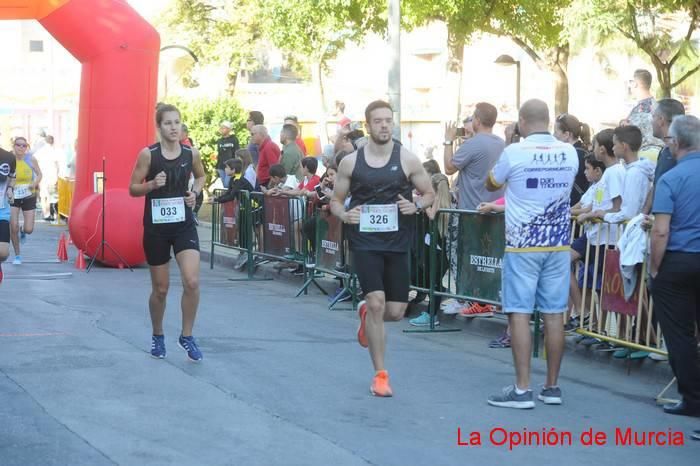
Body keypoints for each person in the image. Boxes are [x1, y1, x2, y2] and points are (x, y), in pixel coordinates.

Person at [331, 100, 435, 397]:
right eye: (378, 121)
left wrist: (414, 204)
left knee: (396, 311)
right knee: (377, 302)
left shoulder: (408, 159)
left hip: (397, 241)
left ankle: (366, 315)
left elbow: (429, 194)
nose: (385, 125)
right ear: (368, 125)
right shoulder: (351, 162)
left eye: (388, 120)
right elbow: (336, 200)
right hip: (364, 241)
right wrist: (343, 214)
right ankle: (380, 375)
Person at [485, 99, 578, 409]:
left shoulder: (514, 152)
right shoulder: (569, 152)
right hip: (558, 243)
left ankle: (522, 389)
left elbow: (491, 183)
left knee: (520, 313)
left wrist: (511, 143)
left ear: (522, 122)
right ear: (548, 120)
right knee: (554, 315)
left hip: (523, 244)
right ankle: (552, 387)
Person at [128, 104, 206, 362]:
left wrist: (194, 194)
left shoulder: (190, 152)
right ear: (159, 127)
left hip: (183, 225)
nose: (174, 127)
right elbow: (132, 189)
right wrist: (151, 184)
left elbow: (201, 177)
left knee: (192, 281)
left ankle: (187, 335)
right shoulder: (148, 155)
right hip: (156, 229)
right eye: (168, 123)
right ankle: (158, 334)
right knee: (161, 289)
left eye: (177, 122)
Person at [650, 115, 700, 420]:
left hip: (679, 261)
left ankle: (693, 398)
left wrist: (655, 268)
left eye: (668, 139)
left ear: (677, 143)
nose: (667, 144)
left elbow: (660, 231)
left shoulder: (671, 178)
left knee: (680, 335)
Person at [443, 102, 505, 318]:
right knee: (488, 258)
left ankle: (470, 298)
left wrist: (448, 140)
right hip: (495, 209)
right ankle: (486, 300)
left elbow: (449, 167)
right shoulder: (501, 143)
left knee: (465, 254)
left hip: (470, 211)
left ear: (477, 120)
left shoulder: (474, 144)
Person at [588, 126, 654, 225]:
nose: (613, 148)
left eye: (615, 144)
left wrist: (604, 215)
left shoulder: (634, 174)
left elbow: (628, 213)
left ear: (623, 146)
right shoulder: (632, 170)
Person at [10, 137, 42, 265]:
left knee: (29, 229)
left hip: (28, 195)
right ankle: (17, 255)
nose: (21, 148)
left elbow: (40, 174)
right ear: (14, 146)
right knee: (13, 226)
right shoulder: (9, 159)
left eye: (24, 146)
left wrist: (34, 183)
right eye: (18, 145)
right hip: (12, 195)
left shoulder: (30, 159)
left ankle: (23, 231)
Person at [553, 113, 591, 205]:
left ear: (566, 134)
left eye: (555, 132)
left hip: (573, 206)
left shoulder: (571, 155)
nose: (553, 135)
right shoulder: (583, 151)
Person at [34, 135, 60, 222]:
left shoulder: (41, 150)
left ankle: (45, 213)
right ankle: (50, 213)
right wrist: (57, 175)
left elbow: (34, 159)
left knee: (43, 195)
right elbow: (57, 165)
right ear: (52, 141)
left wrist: (37, 171)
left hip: (42, 175)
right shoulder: (54, 150)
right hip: (52, 175)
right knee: (51, 196)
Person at [0, 144, 16, 283]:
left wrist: (10, 188)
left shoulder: (8, 157)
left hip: (1, 210)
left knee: (3, 253)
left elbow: (12, 177)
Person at [251, 125, 280, 190]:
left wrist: (270, 186)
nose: (251, 137)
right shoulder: (264, 147)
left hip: (266, 184)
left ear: (261, 134)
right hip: (263, 183)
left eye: (253, 134)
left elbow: (275, 169)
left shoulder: (268, 147)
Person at [216, 121, 240, 188]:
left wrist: (236, 166)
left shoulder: (234, 139)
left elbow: (237, 153)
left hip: (230, 167)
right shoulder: (219, 141)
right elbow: (219, 154)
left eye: (223, 127)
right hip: (221, 166)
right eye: (221, 128)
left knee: (227, 184)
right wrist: (217, 167)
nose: (221, 129)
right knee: (225, 186)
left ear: (229, 129)